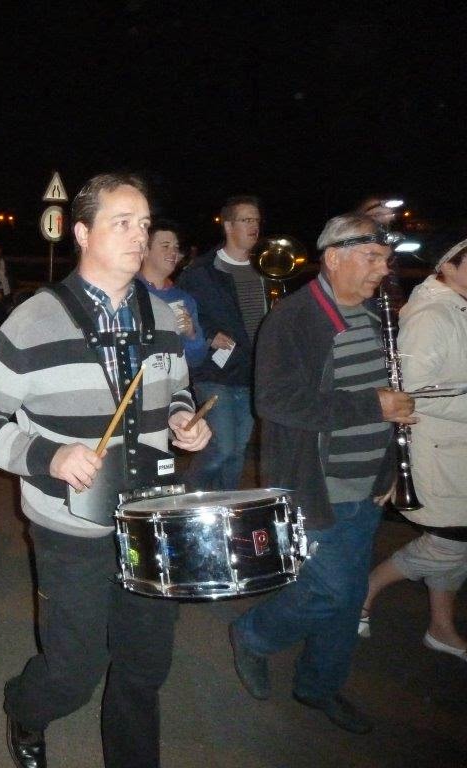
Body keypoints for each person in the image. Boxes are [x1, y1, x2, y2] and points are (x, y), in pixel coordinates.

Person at [0, 172, 210, 768]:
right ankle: (25, 707)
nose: (138, 235)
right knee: (74, 670)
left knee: (146, 665)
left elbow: (176, 391)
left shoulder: (163, 316)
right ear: (81, 233)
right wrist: (50, 456)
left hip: (150, 520)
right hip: (69, 528)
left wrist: (183, 422)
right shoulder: (35, 320)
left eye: (144, 223)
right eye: (122, 222)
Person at [227, 213, 416, 735]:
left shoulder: (376, 318)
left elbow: (387, 401)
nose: (384, 267)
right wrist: (372, 407)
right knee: (331, 592)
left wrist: (392, 467)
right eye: (372, 257)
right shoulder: (294, 320)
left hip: (367, 485)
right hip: (317, 488)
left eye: (386, 258)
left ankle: (318, 687)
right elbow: (277, 401)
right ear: (335, 257)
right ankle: (255, 634)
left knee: (349, 597)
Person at [360, 236, 467, 660]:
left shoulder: (457, 306)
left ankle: (442, 628)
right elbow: (416, 392)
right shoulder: (431, 314)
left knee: (455, 543)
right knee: (449, 542)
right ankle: (366, 592)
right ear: (449, 265)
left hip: (455, 448)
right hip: (435, 448)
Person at [177, 195, 266, 490]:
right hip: (214, 374)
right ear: (228, 226)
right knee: (222, 448)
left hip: (251, 374)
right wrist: (209, 334)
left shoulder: (267, 270)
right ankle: (189, 499)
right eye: (246, 220)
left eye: (256, 220)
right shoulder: (202, 272)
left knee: (237, 453)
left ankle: (224, 511)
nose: (254, 226)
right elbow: (182, 315)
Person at [137, 220, 207, 370]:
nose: (173, 252)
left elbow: (196, 360)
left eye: (176, 247)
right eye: (165, 246)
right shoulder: (127, 292)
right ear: (145, 251)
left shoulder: (183, 299)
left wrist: (191, 335)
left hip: (170, 388)